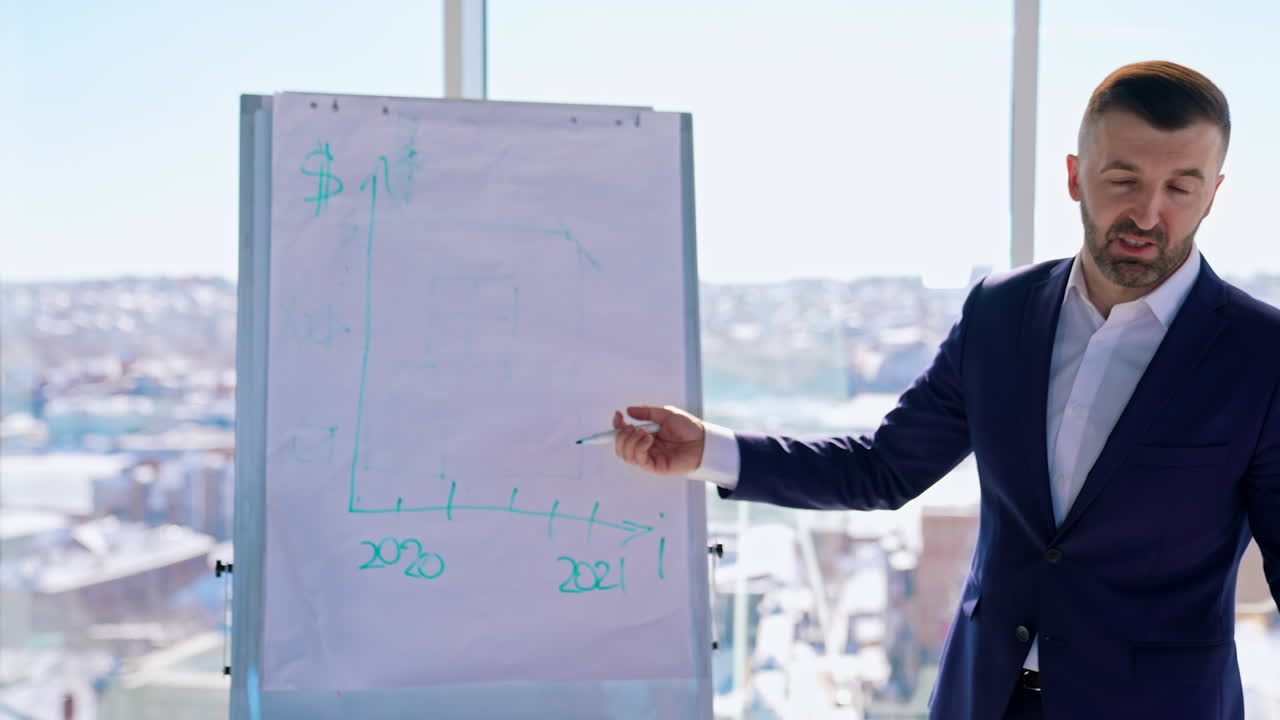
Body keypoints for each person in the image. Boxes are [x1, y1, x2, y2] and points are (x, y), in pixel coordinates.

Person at [611, 60, 1280, 720]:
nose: (1149, 213)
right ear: (1076, 176)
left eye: (1180, 187)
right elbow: (882, 468)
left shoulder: (1261, 354)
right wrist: (709, 451)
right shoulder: (1001, 312)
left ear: (1213, 195)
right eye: (1123, 179)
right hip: (982, 698)